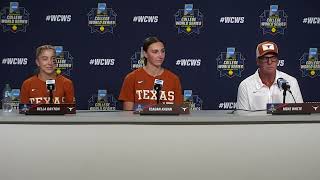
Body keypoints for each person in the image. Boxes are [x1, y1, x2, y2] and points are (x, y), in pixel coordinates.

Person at [119, 36, 183, 110]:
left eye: (162, 51)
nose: (160, 56)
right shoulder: (132, 78)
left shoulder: (174, 79)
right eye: (155, 52)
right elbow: (128, 114)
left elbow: (178, 111)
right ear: (145, 54)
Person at [236, 41, 303, 111]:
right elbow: (242, 117)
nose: (270, 62)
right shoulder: (245, 86)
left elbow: (301, 112)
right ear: (258, 61)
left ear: (277, 61)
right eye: (265, 58)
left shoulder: (291, 82)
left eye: (273, 58)